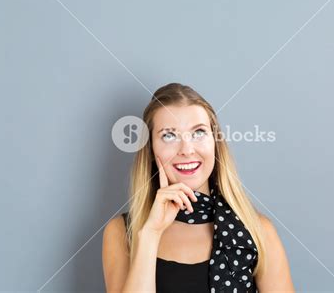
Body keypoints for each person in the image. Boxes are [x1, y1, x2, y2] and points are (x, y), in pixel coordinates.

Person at [102, 83, 295, 292]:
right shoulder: (122, 233)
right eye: (169, 135)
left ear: (215, 143)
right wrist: (150, 235)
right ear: (150, 149)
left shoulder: (258, 231)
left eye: (198, 132)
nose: (187, 149)